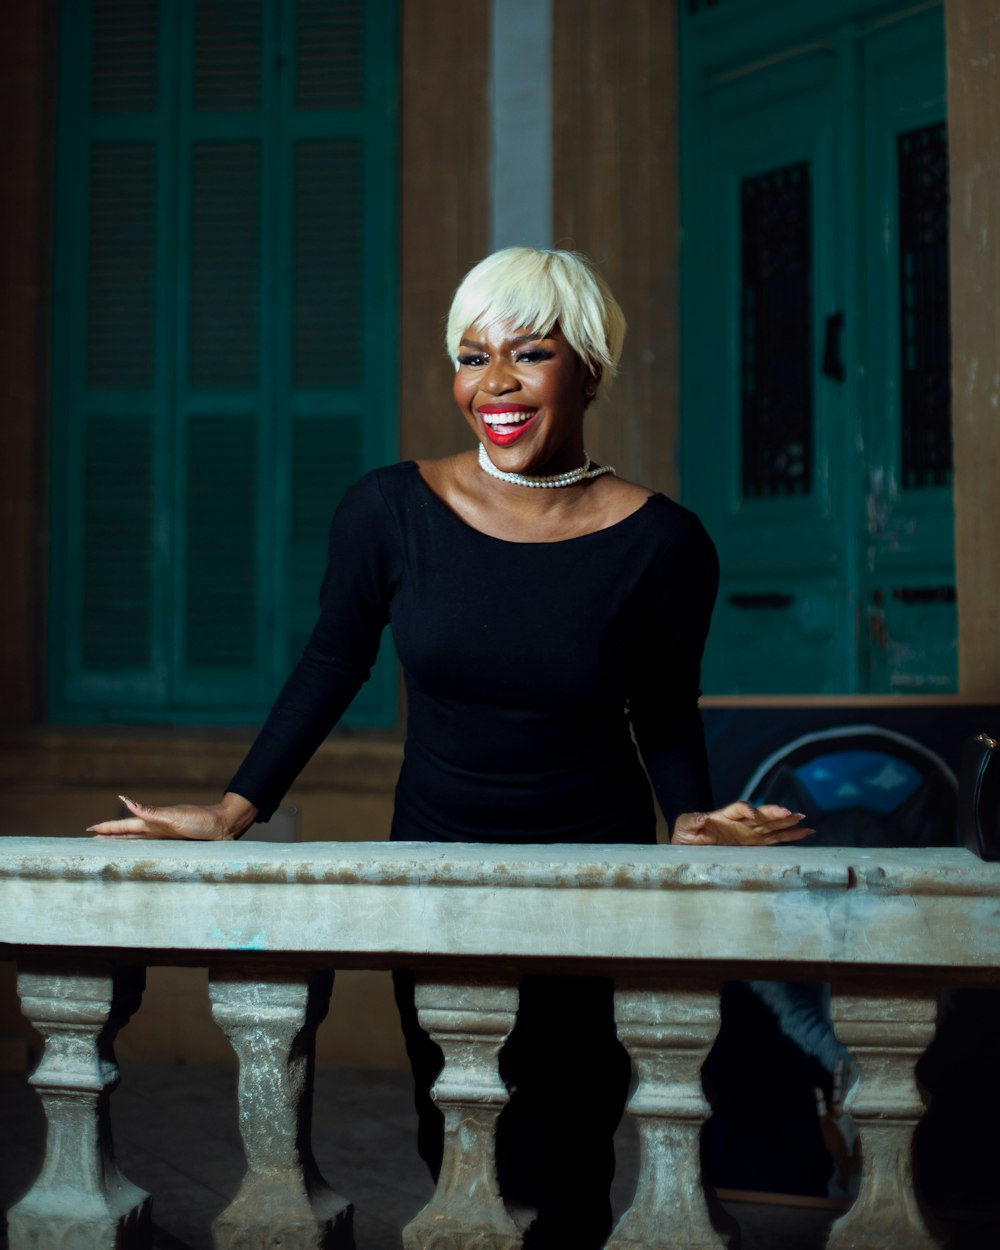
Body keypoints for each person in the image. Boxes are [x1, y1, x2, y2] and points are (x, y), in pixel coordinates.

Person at [91, 247, 810, 1247]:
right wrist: (233, 805)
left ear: (590, 369)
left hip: (586, 881)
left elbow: (663, 708)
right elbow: (330, 663)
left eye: (530, 354)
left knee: (570, 1156)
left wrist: (691, 816)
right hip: (435, 875)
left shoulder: (664, 542)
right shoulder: (390, 510)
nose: (495, 384)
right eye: (472, 357)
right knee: (456, 1139)